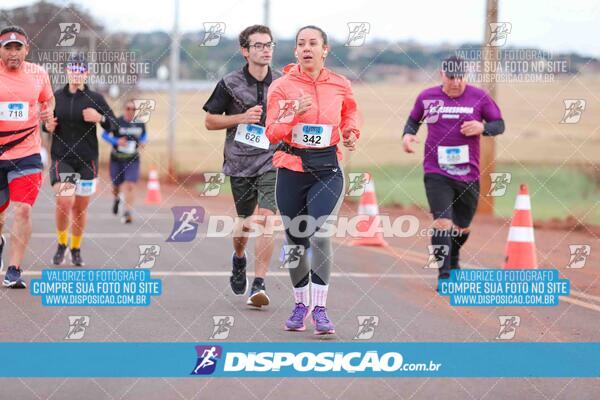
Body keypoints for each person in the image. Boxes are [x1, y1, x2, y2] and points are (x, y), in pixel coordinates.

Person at [265, 25, 360, 334]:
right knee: (295, 241)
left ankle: (320, 309)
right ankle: (299, 305)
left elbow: (350, 114)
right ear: (295, 51)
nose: (307, 48)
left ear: (325, 49)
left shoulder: (340, 84)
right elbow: (271, 132)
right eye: (301, 43)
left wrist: (350, 132)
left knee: (319, 235)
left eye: (313, 43)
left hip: (328, 169)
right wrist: (293, 113)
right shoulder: (281, 86)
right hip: (291, 168)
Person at [402, 56, 505, 290]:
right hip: (436, 171)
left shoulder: (479, 97)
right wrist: (407, 136)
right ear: (442, 75)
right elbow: (413, 120)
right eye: (451, 77)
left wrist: (483, 127)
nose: (456, 82)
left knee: (462, 227)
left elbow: (499, 124)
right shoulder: (427, 97)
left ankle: (455, 257)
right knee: (442, 223)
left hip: (468, 174)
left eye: (460, 77)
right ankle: (444, 275)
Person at [203, 25, 281, 308]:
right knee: (244, 225)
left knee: (266, 219)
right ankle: (239, 258)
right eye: (258, 45)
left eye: (268, 44)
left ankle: (259, 283)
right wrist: (241, 118)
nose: (265, 49)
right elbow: (210, 121)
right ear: (245, 51)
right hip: (239, 162)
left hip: (273, 160)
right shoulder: (229, 83)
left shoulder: (283, 82)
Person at [44, 54, 117, 266]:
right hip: (62, 158)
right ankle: (61, 244)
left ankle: (75, 248)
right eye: (72, 70)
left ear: (86, 73)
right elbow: (45, 123)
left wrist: (100, 118)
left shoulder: (96, 99)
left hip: (87, 160)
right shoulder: (55, 96)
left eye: (80, 70)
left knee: (80, 208)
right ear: (67, 72)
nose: (76, 74)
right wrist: (46, 126)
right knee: (65, 201)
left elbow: (114, 124)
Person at [0, 26, 54, 288]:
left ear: (26, 50)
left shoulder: (38, 74)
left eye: (17, 48)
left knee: (23, 209)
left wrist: (47, 114)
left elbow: (48, 100)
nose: (13, 53)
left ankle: (14, 269)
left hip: (27, 153)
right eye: (7, 47)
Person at [102, 100, 148, 223]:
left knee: (130, 185)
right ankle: (117, 198)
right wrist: (116, 141)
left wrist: (143, 142)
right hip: (117, 159)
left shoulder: (140, 123)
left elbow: (144, 135)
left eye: (133, 109)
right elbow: (104, 135)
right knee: (116, 185)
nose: (130, 111)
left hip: (132, 159)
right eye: (128, 108)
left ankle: (128, 212)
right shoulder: (116, 122)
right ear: (124, 109)